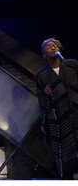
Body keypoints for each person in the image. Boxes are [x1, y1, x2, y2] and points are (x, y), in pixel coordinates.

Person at [34, 37, 78, 179]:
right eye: (49, 47)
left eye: (55, 46)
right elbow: (42, 102)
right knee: (66, 157)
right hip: (60, 120)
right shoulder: (41, 75)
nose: (53, 48)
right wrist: (45, 94)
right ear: (44, 55)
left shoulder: (72, 65)